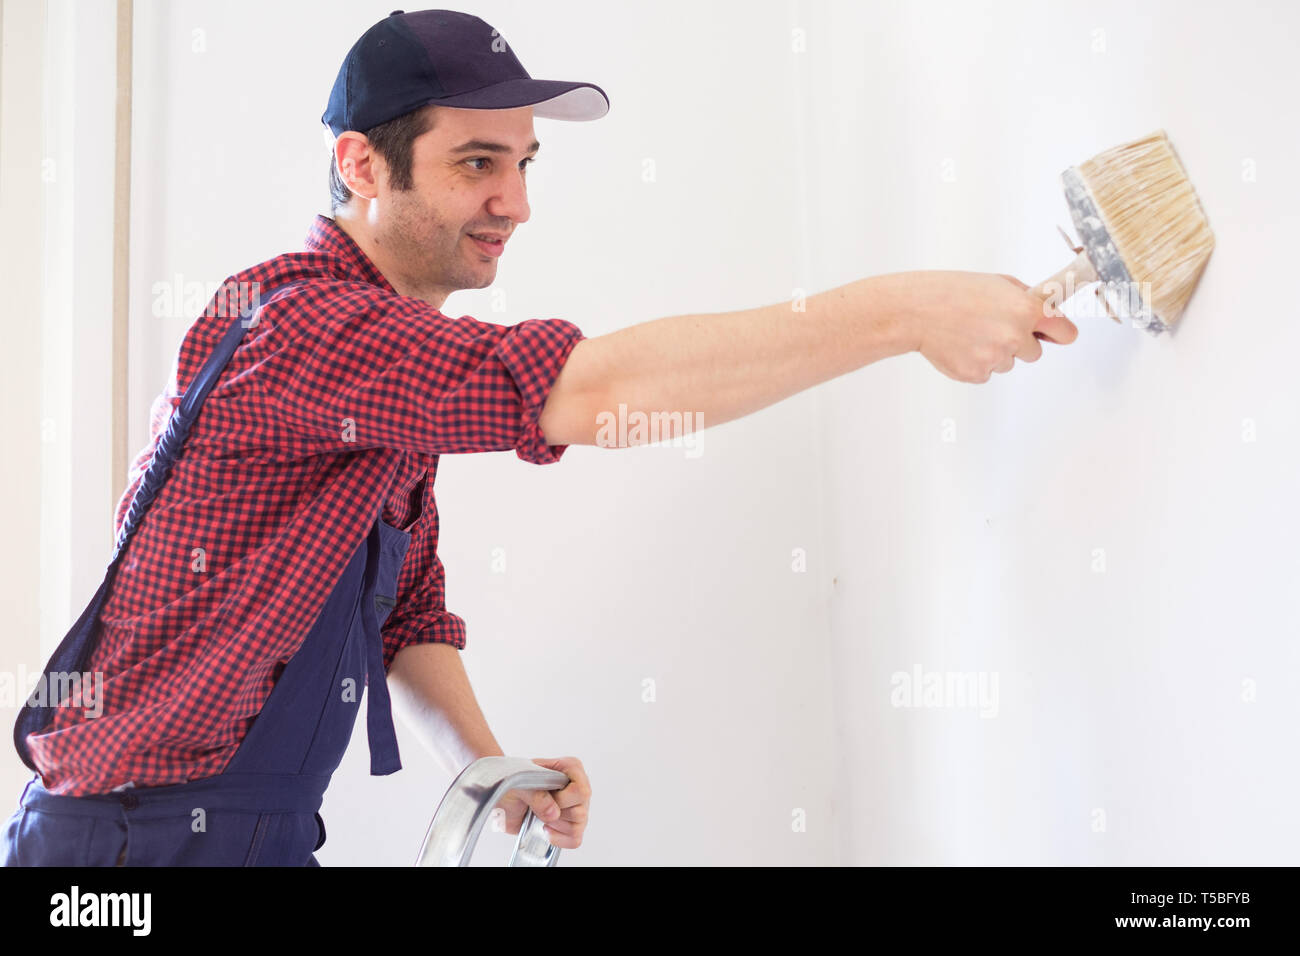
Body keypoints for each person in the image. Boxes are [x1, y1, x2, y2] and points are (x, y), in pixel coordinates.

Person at [2, 8, 1075, 867]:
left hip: (253, 836)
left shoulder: (383, 364)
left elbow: (403, 619)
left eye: (524, 163)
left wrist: (487, 770)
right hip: (122, 846)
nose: (515, 203)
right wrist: (903, 314)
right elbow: (583, 391)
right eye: (478, 162)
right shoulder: (304, 327)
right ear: (363, 166)